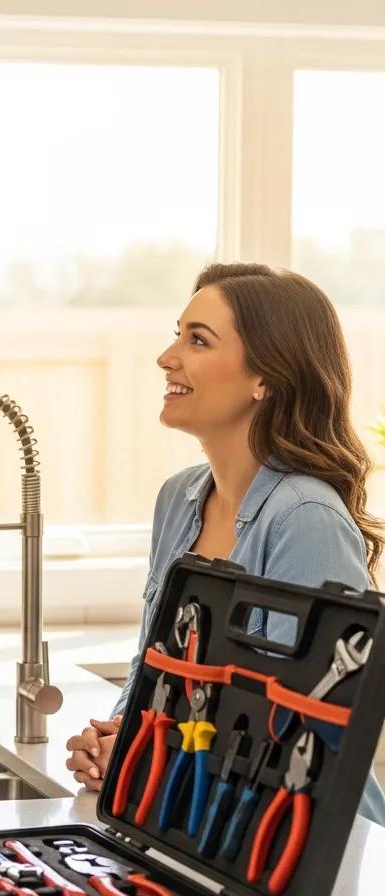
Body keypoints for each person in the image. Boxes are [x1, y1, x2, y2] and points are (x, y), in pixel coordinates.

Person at [65, 262, 385, 826]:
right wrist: (120, 742)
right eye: (177, 334)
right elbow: (156, 672)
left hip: (312, 848)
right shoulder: (181, 498)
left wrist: (154, 763)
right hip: (201, 821)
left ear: (266, 377)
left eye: (198, 340)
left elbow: (295, 731)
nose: (168, 357)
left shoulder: (304, 518)